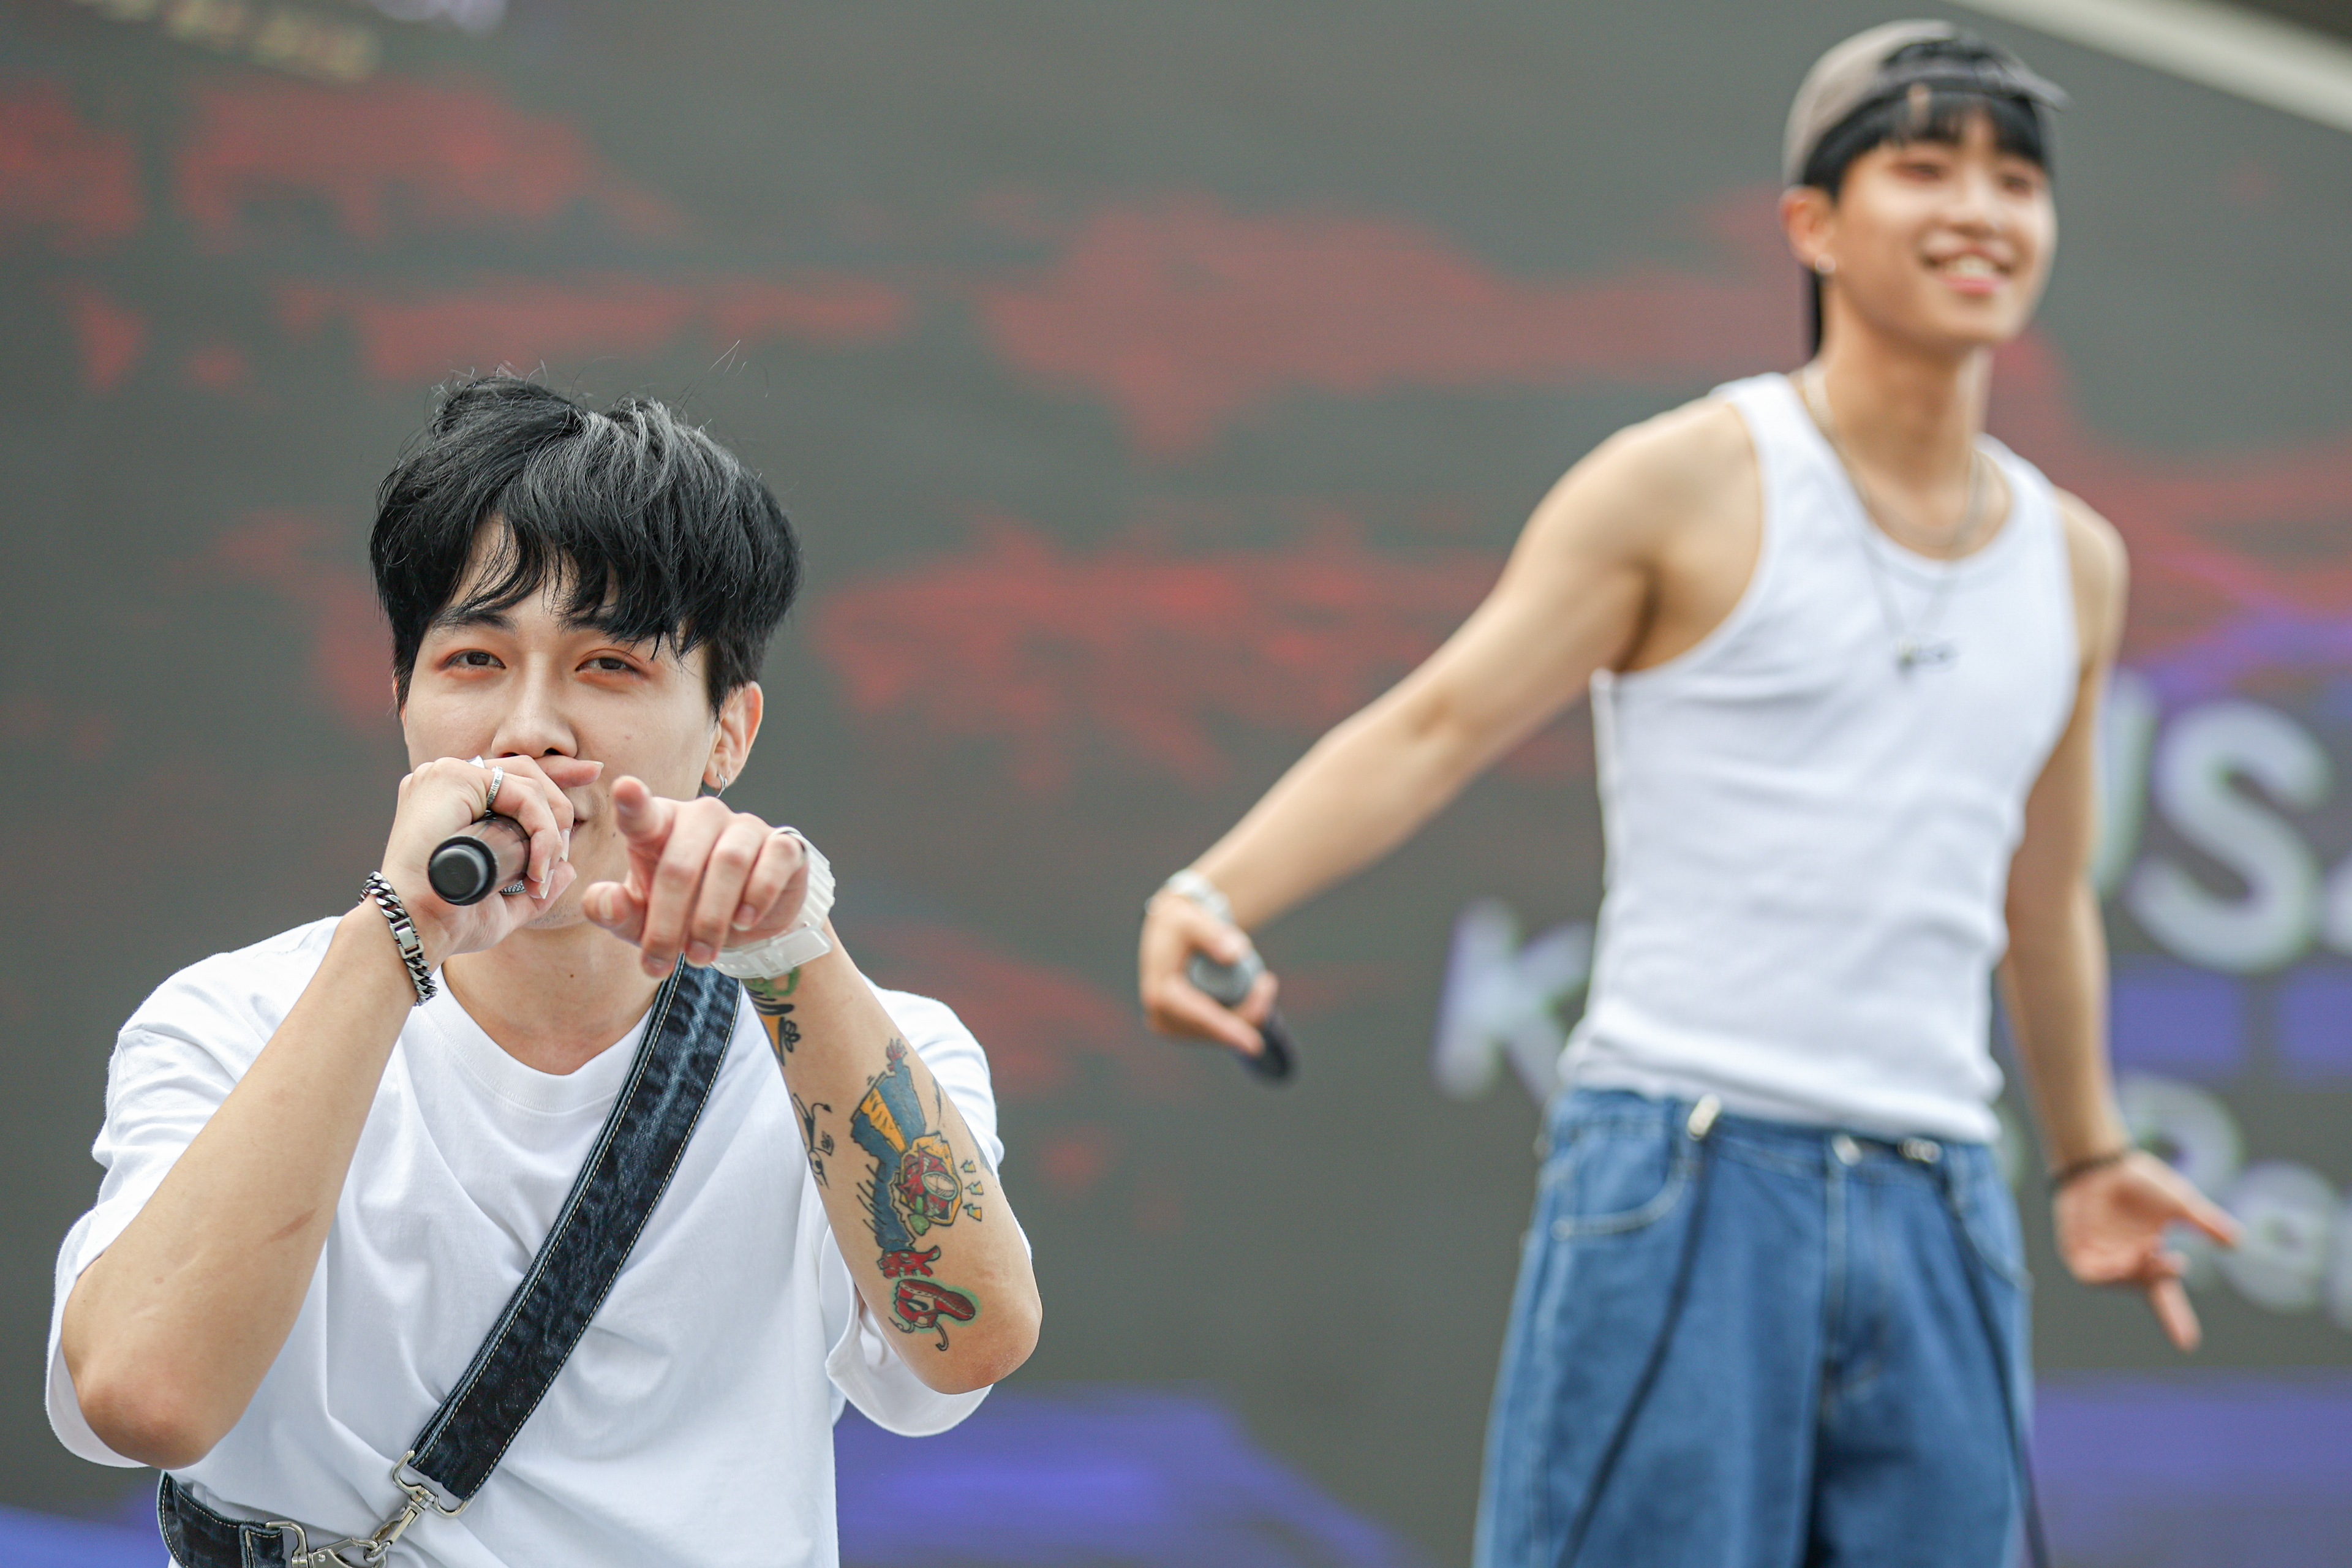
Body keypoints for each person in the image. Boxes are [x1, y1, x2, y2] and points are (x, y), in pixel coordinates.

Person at [1138, 22, 2238, 1567]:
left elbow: (2041, 892)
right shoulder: (1684, 480)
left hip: (1941, 1193)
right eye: (1926, 167)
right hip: (1688, 1159)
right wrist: (1213, 891)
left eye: (2015, 179)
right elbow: (1442, 721)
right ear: (1813, 225)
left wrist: (2091, 1154)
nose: (1980, 211)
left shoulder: (2076, 560)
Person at [48, 377, 1041, 1567]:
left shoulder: (864, 1040)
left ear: (730, 731)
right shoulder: (230, 1018)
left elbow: (968, 1343)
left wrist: (795, 960)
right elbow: (143, 1397)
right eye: (474, 658)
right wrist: (394, 935)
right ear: (403, 701)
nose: (531, 728)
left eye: (608, 666)